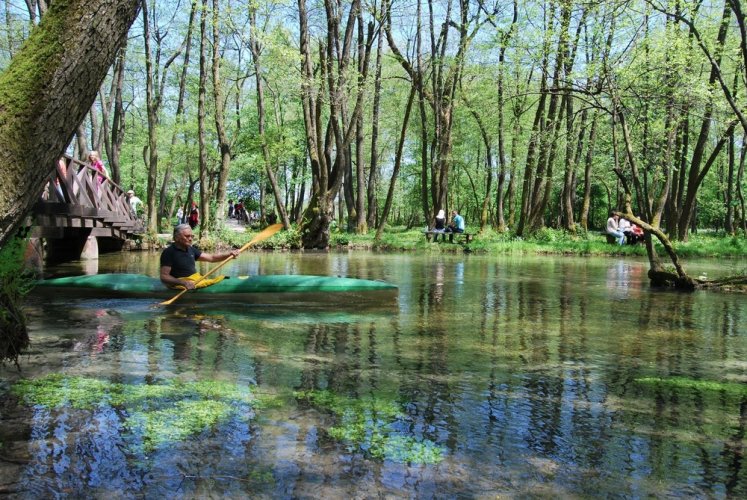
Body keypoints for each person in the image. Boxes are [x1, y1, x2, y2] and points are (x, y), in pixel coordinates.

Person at [160, 224, 240, 290]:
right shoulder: (169, 252)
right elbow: (164, 276)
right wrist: (184, 283)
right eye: (187, 236)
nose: (191, 239)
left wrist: (229, 254)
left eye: (192, 236)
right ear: (177, 238)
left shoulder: (191, 249)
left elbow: (212, 258)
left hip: (194, 280)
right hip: (179, 284)